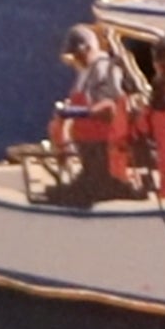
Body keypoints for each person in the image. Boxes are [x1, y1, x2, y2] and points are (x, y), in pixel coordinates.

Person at [54, 25, 130, 203]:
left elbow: (110, 107)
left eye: (77, 53)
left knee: (95, 186)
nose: (76, 59)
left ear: (87, 47)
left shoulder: (103, 68)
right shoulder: (85, 73)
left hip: (101, 146)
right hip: (85, 149)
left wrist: (77, 112)